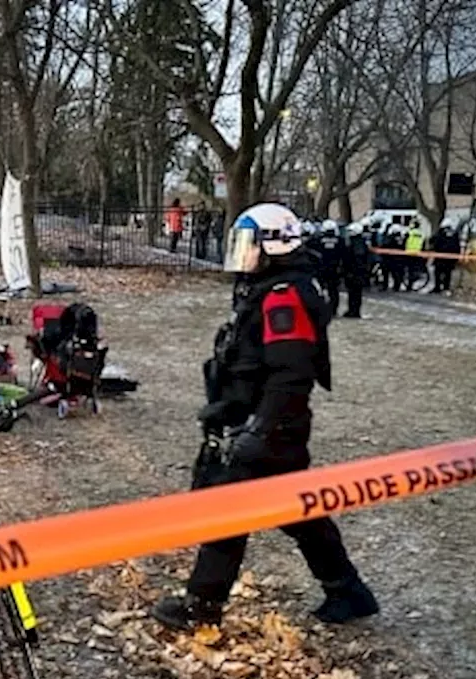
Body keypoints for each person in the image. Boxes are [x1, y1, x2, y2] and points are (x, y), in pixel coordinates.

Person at [150, 202, 378, 632]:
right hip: (267, 423)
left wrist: (260, 429)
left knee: (228, 512)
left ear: (274, 246)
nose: (242, 254)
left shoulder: (284, 295)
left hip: (268, 426)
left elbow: (292, 372)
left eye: (249, 244)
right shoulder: (270, 287)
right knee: (297, 512)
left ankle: (202, 605)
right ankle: (347, 590)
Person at [315, 219, 345, 317]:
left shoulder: (318, 240)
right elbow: (344, 254)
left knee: (319, 290)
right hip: (334, 269)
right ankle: (333, 310)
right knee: (334, 291)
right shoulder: (340, 241)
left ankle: (320, 309)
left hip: (321, 268)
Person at [342, 222, 369, 318]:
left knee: (355, 293)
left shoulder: (357, 243)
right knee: (354, 292)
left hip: (355, 272)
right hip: (357, 272)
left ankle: (354, 311)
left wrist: (350, 270)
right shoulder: (359, 242)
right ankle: (353, 310)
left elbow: (356, 258)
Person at [431, 217, 462, 294]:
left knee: (437, 273)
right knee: (447, 274)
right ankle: (446, 288)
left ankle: (437, 288)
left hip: (440, 257)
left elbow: (435, 243)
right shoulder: (454, 234)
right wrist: (456, 258)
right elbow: (457, 246)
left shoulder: (440, 233)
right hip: (450, 258)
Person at [383, 224, 407, 291]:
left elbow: (386, 245)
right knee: (397, 273)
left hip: (391, 258)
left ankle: (387, 286)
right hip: (400, 258)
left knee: (389, 272)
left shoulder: (391, 237)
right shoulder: (402, 238)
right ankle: (397, 286)